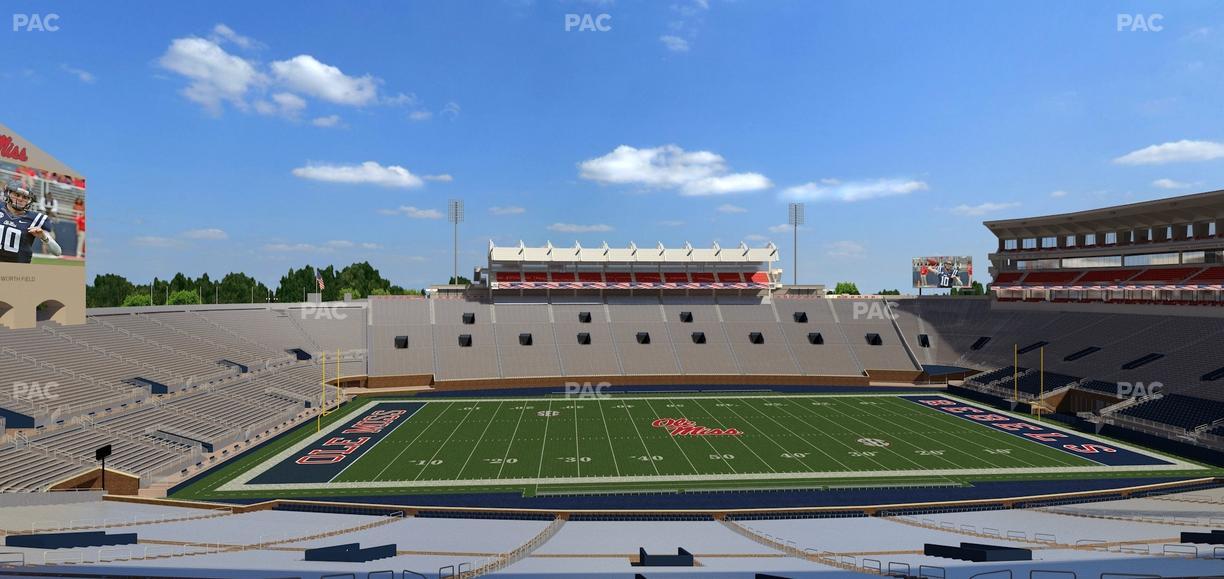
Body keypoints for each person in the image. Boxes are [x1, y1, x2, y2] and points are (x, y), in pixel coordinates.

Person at [0, 181, 61, 263]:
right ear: (8, 193)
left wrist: (44, 237)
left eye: (25, 197)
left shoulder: (36, 219)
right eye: (17, 195)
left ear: (30, 200)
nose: (20, 199)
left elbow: (57, 252)